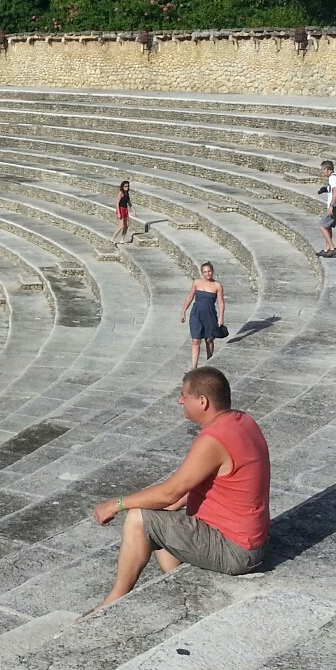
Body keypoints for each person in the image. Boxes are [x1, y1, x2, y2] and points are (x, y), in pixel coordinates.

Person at [85, 367, 270, 615]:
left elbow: (169, 493)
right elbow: (198, 488)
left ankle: (114, 600)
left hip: (234, 550)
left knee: (139, 519)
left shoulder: (214, 440)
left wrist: (115, 504)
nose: (179, 400)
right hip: (249, 542)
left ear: (202, 401)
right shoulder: (241, 421)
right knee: (159, 521)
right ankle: (179, 584)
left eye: (184, 394)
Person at [179, 261, 225, 369]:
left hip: (210, 315)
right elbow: (190, 297)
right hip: (196, 314)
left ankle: (209, 362)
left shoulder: (217, 285)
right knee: (196, 340)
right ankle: (194, 367)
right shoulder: (197, 283)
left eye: (209, 271)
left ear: (212, 271)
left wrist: (221, 318)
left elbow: (221, 302)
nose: (207, 274)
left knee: (209, 339)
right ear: (202, 273)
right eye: (205, 272)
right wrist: (183, 312)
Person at [316, 159, 336, 257]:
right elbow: (334, 190)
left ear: (327, 169)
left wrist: (331, 206)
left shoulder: (332, 178)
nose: (322, 172)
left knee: (322, 226)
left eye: (323, 170)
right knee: (327, 226)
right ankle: (327, 249)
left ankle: (332, 248)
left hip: (335, 206)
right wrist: (325, 189)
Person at [111, 180, 133, 244]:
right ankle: (112, 238)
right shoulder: (121, 193)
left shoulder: (127, 193)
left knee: (126, 225)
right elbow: (117, 203)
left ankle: (122, 239)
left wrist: (133, 210)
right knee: (122, 225)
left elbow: (129, 203)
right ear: (122, 187)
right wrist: (118, 213)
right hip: (121, 209)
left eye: (128, 186)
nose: (127, 187)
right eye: (125, 186)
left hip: (125, 210)